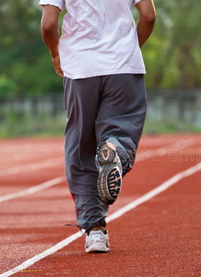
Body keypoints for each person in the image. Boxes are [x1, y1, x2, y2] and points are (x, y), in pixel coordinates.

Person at [39, 0, 156, 253]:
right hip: (124, 69)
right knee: (120, 133)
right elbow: (148, 16)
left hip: (81, 68)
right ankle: (114, 149)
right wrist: (128, 50)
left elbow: (49, 24)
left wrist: (55, 53)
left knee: (81, 149)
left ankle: (95, 232)